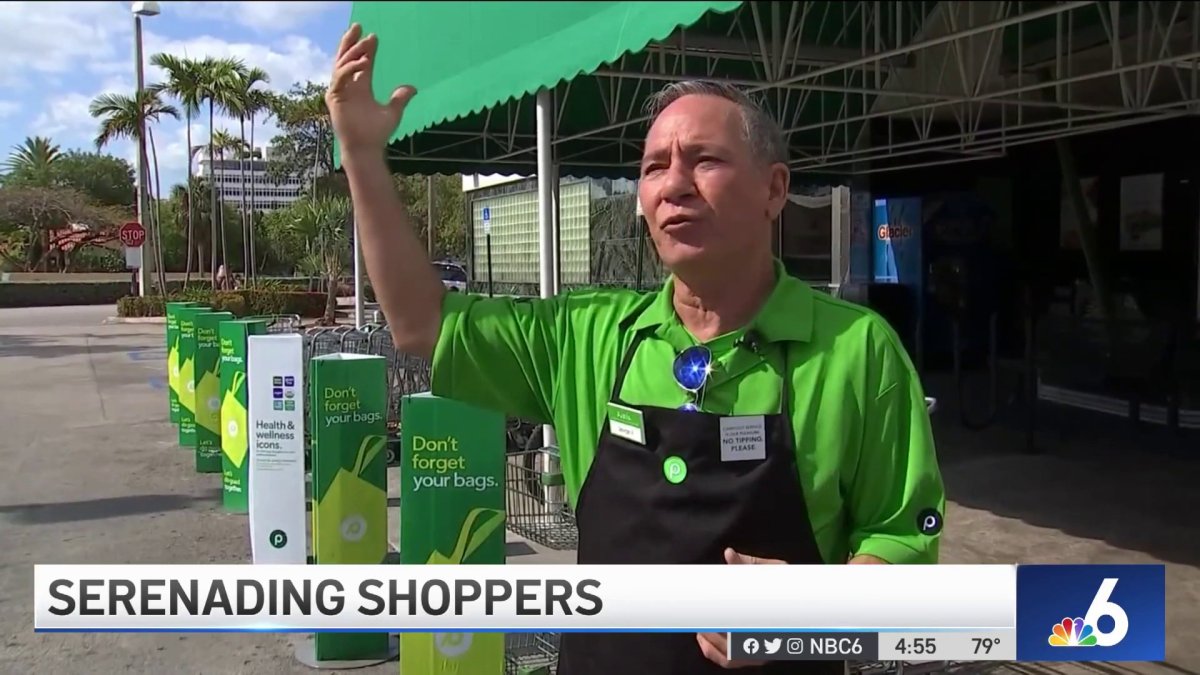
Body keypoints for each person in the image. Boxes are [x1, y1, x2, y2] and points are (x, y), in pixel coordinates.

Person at [328, 24, 945, 675]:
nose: (674, 183)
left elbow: (904, 537)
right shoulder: (587, 336)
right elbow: (421, 323)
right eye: (654, 167)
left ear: (774, 189)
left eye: (704, 159)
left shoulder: (858, 350)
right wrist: (363, 153)